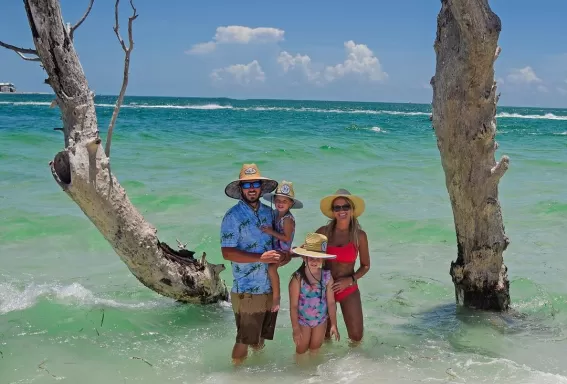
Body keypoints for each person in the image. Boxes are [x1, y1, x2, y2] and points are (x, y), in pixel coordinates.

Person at [220, 163, 291, 363]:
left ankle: (258, 374)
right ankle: (235, 376)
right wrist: (260, 258)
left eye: (255, 183)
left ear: (261, 187)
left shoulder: (270, 213)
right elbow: (227, 253)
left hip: (270, 287)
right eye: (247, 184)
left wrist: (284, 257)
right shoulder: (232, 216)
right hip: (247, 290)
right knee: (244, 340)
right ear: (240, 189)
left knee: (259, 340)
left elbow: (278, 245)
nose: (252, 188)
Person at [316, 189, 370, 343]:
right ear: (333, 212)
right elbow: (306, 255)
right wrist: (283, 254)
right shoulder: (323, 232)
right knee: (324, 337)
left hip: (348, 287)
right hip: (325, 289)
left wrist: (350, 280)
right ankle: (324, 366)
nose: (341, 211)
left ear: (352, 210)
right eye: (337, 207)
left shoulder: (359, 236)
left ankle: (353, 366)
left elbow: (365, 266)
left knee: (356, 337)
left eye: (345, 206)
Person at [289, 233, 340, 355]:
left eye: (318, 258)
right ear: (304, 258)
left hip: (321, 320)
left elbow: (331, 302)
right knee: (301, 350)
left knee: (315, 349)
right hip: (302, 321)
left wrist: (333, 324)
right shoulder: (298, 278)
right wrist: (295, 328)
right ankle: (300, 372)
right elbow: (294, 306)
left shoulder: (327, 276)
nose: (314, 261)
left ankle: (314, 373)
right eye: (311, 257)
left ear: (323, 259)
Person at [261, 180, 303, 312]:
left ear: (291, 204)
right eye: (278, 200)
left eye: (284, 201)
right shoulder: (275, 213)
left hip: (281, 249)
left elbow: (286, 237)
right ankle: (296, 252)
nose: (280, 203)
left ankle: (277, 297)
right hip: (276, 247)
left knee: (272, 268)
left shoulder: (288, 219)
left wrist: (270, 231)